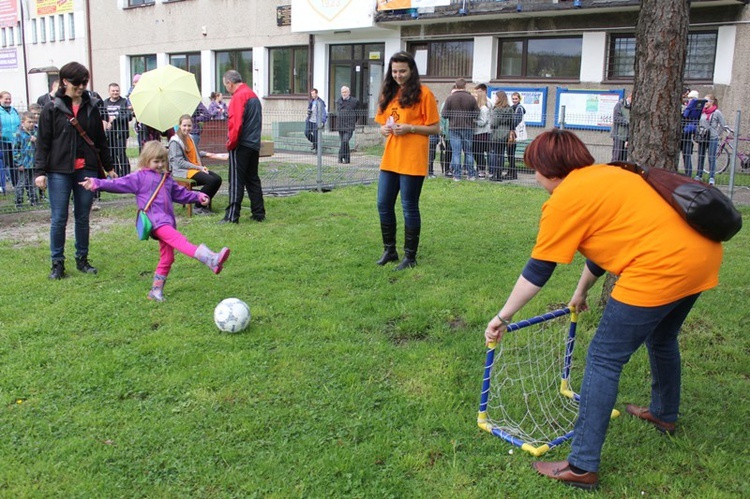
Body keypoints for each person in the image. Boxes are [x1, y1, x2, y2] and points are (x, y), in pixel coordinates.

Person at [484, 129, 722, 491]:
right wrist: (581, 291)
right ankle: (663, 414)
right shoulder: (610, 174)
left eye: (533, 169)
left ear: (549, 169)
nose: (534, 177)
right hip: (702, 257)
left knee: (603, 360)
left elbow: (539, 269)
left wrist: (502, 316)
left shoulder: (565, 199)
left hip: (659, 268)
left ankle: (581, 465)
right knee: (662, 338)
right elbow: (608, 243)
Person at [80, 141, 230, 302]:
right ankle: (210, 259)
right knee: (180, 241)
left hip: (167, 222)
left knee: (167, 257)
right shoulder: (139, 177)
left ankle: (155, 291)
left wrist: (198, 196)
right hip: (156, 223)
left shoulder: (167, 179)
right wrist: (96, 183)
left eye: (162, 161)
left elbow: (180, 194)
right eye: (155, 161)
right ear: (146, 160)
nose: (159, 165)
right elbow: (118, 183)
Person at [34, 61, 116, 280]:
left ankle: (82, 259)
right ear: (64, 82)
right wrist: (40, 172)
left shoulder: (92, 106)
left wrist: (109, 167)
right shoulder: (52, 108)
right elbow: (43, 142)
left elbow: (100, 140)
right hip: (58, 170)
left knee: (82, 217)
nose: (81, 87)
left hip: (86, 169)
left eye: (84, 82)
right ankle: (57, 264)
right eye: (77, 83)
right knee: (59, 218)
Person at [374, 51, 440, 271]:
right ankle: (390, 250)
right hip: (390, 158)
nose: (398, 75)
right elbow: (382, 124)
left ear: (412, 70)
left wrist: (410, 128)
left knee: (408, 207)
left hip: (412, 159)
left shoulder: (424, 94)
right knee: (383, 204)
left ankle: (410, 256)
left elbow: (435, 128)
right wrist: (384, 129)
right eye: (394, 71)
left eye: (402, 71)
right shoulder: (388, 91)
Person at [220, 69, 265, 224]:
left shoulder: (238, 97)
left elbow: (235, 123)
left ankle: (232, 216)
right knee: (252, 178)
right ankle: (259, 212)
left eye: (225, 85)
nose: (225, 88)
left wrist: (230, 143)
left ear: (229, 83)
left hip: (241, 145)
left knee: (236, 180)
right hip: (253, 144)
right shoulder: (253, 95)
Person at [169, 114, 223, 215]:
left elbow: (195, 153)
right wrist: (199, 167)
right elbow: (179, 162)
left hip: (194, 169)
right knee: (211, 181)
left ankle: (204, 204)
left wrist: (208, 154)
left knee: (217, 179)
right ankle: (198, 207)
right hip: (183, 172)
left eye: (189, 126)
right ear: (179, 126)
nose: (187, 128)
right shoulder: (175, 141)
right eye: (184, 125)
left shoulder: (190, 138)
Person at [442, 78, 479, 181]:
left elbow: (444, 114)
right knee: (468, 152)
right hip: (468, 127)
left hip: (454, 127)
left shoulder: (450, 98)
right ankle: (471, 175)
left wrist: (452, 116)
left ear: (456, 85)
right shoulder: (471, 98)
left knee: (456, 152)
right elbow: (477, 113)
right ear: (465, 85)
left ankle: (457, 176)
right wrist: (468, 117)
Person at [100, 83, 134, 177]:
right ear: (109, 92)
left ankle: (126, 175)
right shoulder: (105, 102)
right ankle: (116, 175)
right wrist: (107, 122)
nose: (115, 93)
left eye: (117, 91)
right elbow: (101, 116)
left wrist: (115, 118)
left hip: (121, 133)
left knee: (121, 153)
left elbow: (129, 116)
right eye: (113, 91)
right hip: (109, 134)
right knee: (112, 154)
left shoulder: (124, 102)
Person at [695, 94, 726, 186]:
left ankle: (711, 177)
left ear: (712, 102)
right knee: (701, 157)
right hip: (702, 137)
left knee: (711, 158)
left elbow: (723, 125)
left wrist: (717, 133)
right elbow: (698, 123)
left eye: (707, 101)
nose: (705, 103)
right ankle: (699, 175)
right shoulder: (702, 112)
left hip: (712, 138)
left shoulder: (716, 112)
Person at [12, 112, 39, 207]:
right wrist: (19, 163)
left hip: (34, 163)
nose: (32, 124)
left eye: (33, 122)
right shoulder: (19, 133)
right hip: (24, 163)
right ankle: (18, 201)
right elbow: (15, 150)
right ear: (23, 122)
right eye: (29, 122)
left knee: (33, 183)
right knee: (21, 183)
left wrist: (37, 140)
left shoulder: (36, 132)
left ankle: (34, 200)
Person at [488, 91, 514, 182]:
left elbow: (494, 123)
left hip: (497, 134)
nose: (495, 99)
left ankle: (494, 174)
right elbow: (512, 122)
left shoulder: (497, 109)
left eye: (496, 97)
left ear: (499, 98)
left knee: (495, 154)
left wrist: (492, 125)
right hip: (505, 134)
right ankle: (499, 174)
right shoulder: (510, 109)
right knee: (501, 154)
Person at [680, 90, 705, 178]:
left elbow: (685, 115)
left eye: (690, 98)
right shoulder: (697, 107)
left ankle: (688, 174)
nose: (688, 100)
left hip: (683, 134)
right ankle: (688, 175)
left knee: (686, 156)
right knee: (687, 156)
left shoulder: (690, 107)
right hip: (687, 134)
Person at [0, 91, 21, 195]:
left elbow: (19, 124)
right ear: (0, 99)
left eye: (9, 98)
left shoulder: (14, 111)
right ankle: (2, 186)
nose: (8, 101)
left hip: (14, 141)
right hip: (2, 141)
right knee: (3, 164)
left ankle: (15, 184)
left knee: (14, 164)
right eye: (6, 99)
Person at [335, 86, 360, 164]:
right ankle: (347, 159)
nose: (344, 94)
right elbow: (339, 111)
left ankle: (340, 156)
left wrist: (353, 121)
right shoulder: (339, 101)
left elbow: (358, 113)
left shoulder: (354, 101)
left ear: (349, 93)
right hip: (341, 125)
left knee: (345, 141)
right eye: (343, 92)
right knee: (344, 142)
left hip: (349, 125)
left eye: (345, 92)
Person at [472, 84, 491, 179]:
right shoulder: (478, 108)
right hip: (476, 133)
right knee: (476, 152)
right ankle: (479, 168)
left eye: (476, 96)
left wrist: (474, 121)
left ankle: (482, 170)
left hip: (482, 133)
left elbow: (483, 122)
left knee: (479, 153)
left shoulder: (484, 109)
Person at [506, 92, 526, 180]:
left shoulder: (519, 108)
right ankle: (510, 171)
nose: (514, 100)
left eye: (516, 99)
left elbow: (516, 120)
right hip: (512, 132)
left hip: (514, 133)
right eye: (513, 99)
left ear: (519, 99)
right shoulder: (513, 107)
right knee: (509, 153)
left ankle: (513, 173)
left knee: (511, 153)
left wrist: (511, 128)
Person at [610, 93, 631, 162]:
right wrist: (627, 121)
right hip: (618, 135)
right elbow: (616, 118)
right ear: (630, 97)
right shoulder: (619, 105)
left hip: (627, 136)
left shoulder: (631, 107)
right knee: (617, 156)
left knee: (624, 157)